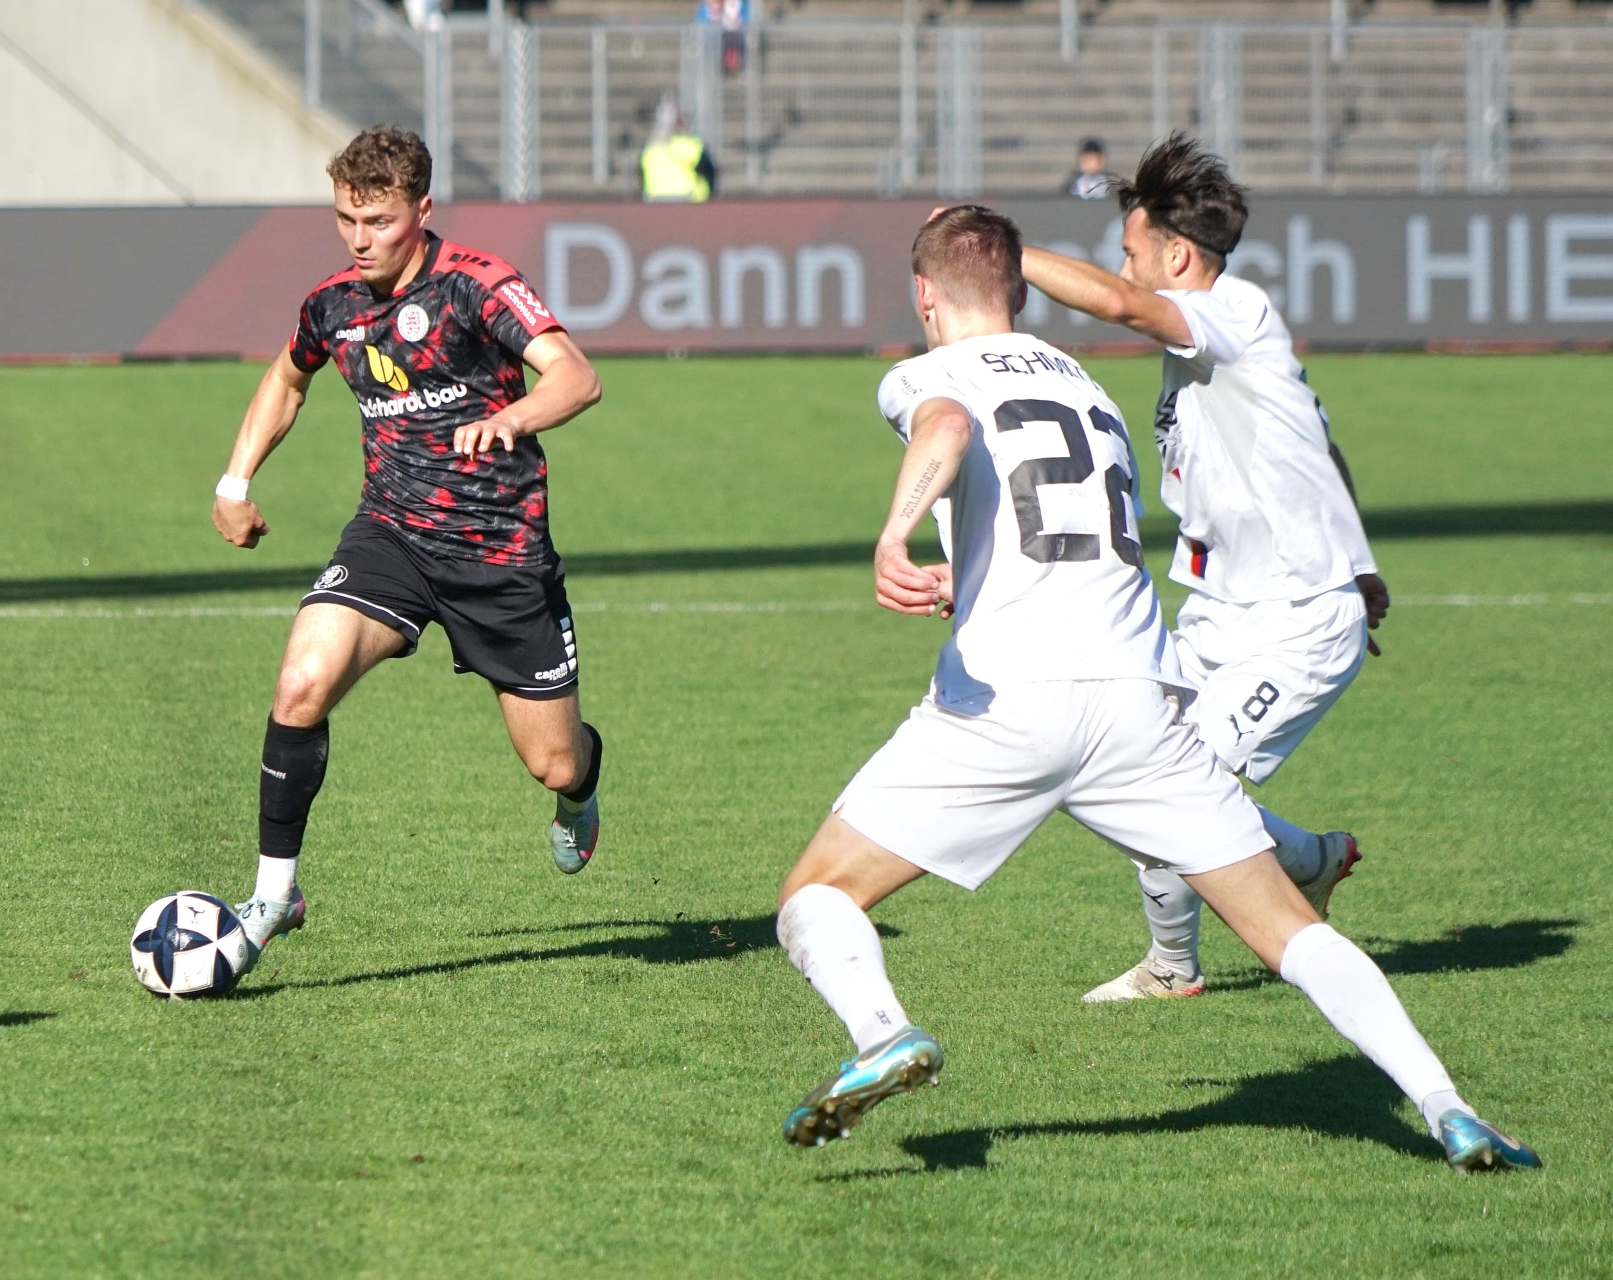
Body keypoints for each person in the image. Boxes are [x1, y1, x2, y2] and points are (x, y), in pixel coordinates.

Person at [772, 204, 1538, 1175]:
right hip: (1141, 699)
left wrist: (895, 533)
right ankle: (1447, 1105)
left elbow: (950, 424)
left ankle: (884, 1032)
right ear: (1019, 291)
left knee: (816, 894)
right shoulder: (1088, 385)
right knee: (1288, 931)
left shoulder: (929, 371)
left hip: (1009, 699)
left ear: (925, 296)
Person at [210, 127, 606, 965]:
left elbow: (576, 375)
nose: (359, 240)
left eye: (379, 221)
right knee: (301, 683)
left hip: (498, 553)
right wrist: (235, 483)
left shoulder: (477, 285)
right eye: (346, 219)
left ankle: (582, 791)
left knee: (554, 763)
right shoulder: (333, 305)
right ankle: (274, 897)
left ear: (422, 210)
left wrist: (510, 417)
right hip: (389, 535)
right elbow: (288, 378)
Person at [1023, 134, 1389, 1003]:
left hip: (1296, 625)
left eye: (1131, 249)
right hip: (1220, 613)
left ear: (1177, 257)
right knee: (1120, 764)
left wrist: (1003, 251)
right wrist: (1365, 565)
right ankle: (1309, 860)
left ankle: (1173, 968)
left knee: (1173, 794)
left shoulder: (1234, 312)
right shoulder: (1222, 347)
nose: (1125, 266)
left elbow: (1120, 303)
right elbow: (1319, 442)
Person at [641, 95, 715, 203]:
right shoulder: (692, 145)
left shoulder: (650, 149)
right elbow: (709, 172)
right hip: (688, 198)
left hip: (655, 199)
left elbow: (641, 177)